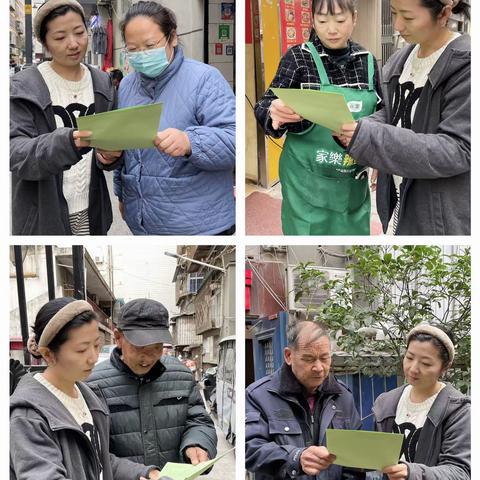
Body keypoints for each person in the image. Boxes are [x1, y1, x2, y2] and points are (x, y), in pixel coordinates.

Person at [339, 0, 470, 235]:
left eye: (408, 18)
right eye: (393, 13)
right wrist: (361, 129)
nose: (398, 25)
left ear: (443, 14)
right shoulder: (401, 59)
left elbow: (458, 149)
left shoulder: (466, 66)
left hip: (435, 215)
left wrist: (373, 139)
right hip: (397, 199)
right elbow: (391, 113)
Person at [254, 0, 382, 235]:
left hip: (350, 181)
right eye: (322, 21)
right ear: (312, 20)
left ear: (354, 18)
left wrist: (379, 157)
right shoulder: (298, 58)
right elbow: (263, 105)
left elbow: (382, 115)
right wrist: (273, 112)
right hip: (305, 182)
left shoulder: (368, 61)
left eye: (340, 20)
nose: (331, 29)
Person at [114, 1, 235, 235]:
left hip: (201, 225)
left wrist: (190, 142)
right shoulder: (127, 85)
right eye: (133, 49)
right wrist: (121, 192)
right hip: (141, 221)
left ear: (173, 38)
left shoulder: (205, 79)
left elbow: (234, 141)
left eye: (150, 45)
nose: (142, 55)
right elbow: (127, 150)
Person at [10, 297, 165, 480]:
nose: (93, 357)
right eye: (82, 350)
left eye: (97, 345)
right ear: (48, 354)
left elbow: (98, 462)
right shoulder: (28, 417)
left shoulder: (87, 395)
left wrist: (144, 473)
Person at [10, 0, 122, 235]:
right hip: (42, 213)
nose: (73, 44)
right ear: (45, 43)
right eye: (60, 38)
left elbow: (110, 149)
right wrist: (69, 142)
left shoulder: (102, 82)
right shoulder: (24, 86)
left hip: (92, 209)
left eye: (80, 33)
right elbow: (15, 153)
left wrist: (110, 156)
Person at [87, 298, 218, 469]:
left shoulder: (181, 376)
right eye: (139, 347)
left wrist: (197, 443)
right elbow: (92, 450)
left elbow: (198, 420)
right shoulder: (93, 384)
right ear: (118, 337)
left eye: (156, 347)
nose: (148, 358)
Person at [245, 321, 365, 479]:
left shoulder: (343, 396)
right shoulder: (258, 395)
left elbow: (353, 459)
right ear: (289, 356)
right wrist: (295, 458)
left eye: (324, 358)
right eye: (309, 359)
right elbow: (250, 448)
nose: (319, 368)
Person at [373, 324, 470, 479]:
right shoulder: (386, 403)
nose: (413, 369)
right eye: (409, 357)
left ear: (444, 367)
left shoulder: (458, 412)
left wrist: (412, 473)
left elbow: (460, 472)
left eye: (426, 363)